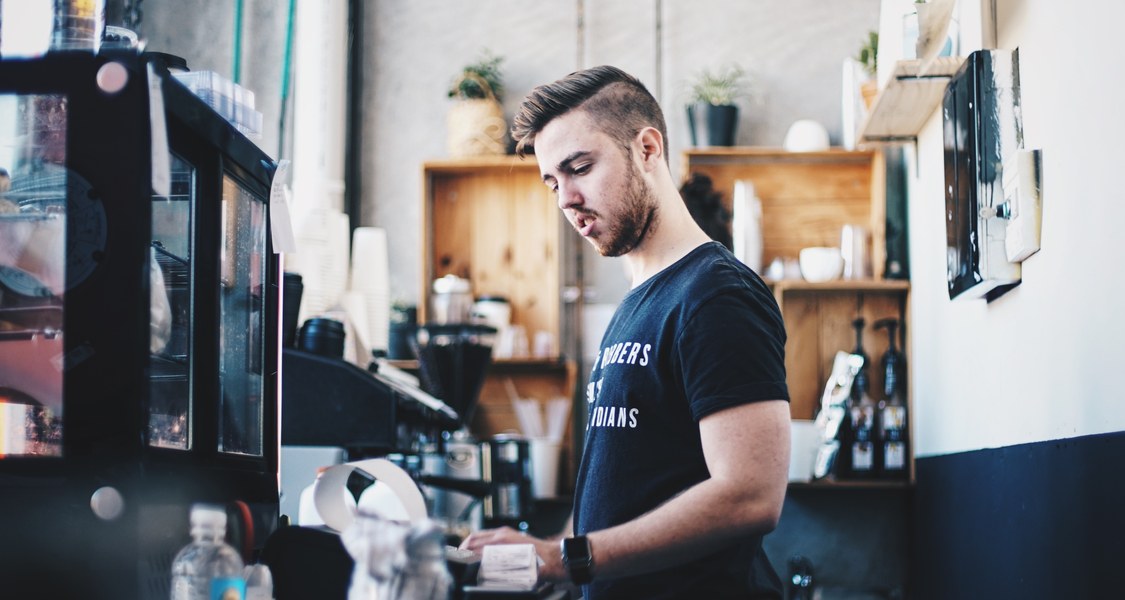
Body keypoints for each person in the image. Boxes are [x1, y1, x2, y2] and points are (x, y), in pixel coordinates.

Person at [461, 65, 791, 599]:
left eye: (580, 167)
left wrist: (568, 560)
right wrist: (547, 562)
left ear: (647, 149)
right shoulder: (636, 305)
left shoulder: (715, 295)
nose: (565, 199)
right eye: (553, 181)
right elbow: (624, 492)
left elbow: (750, 495)